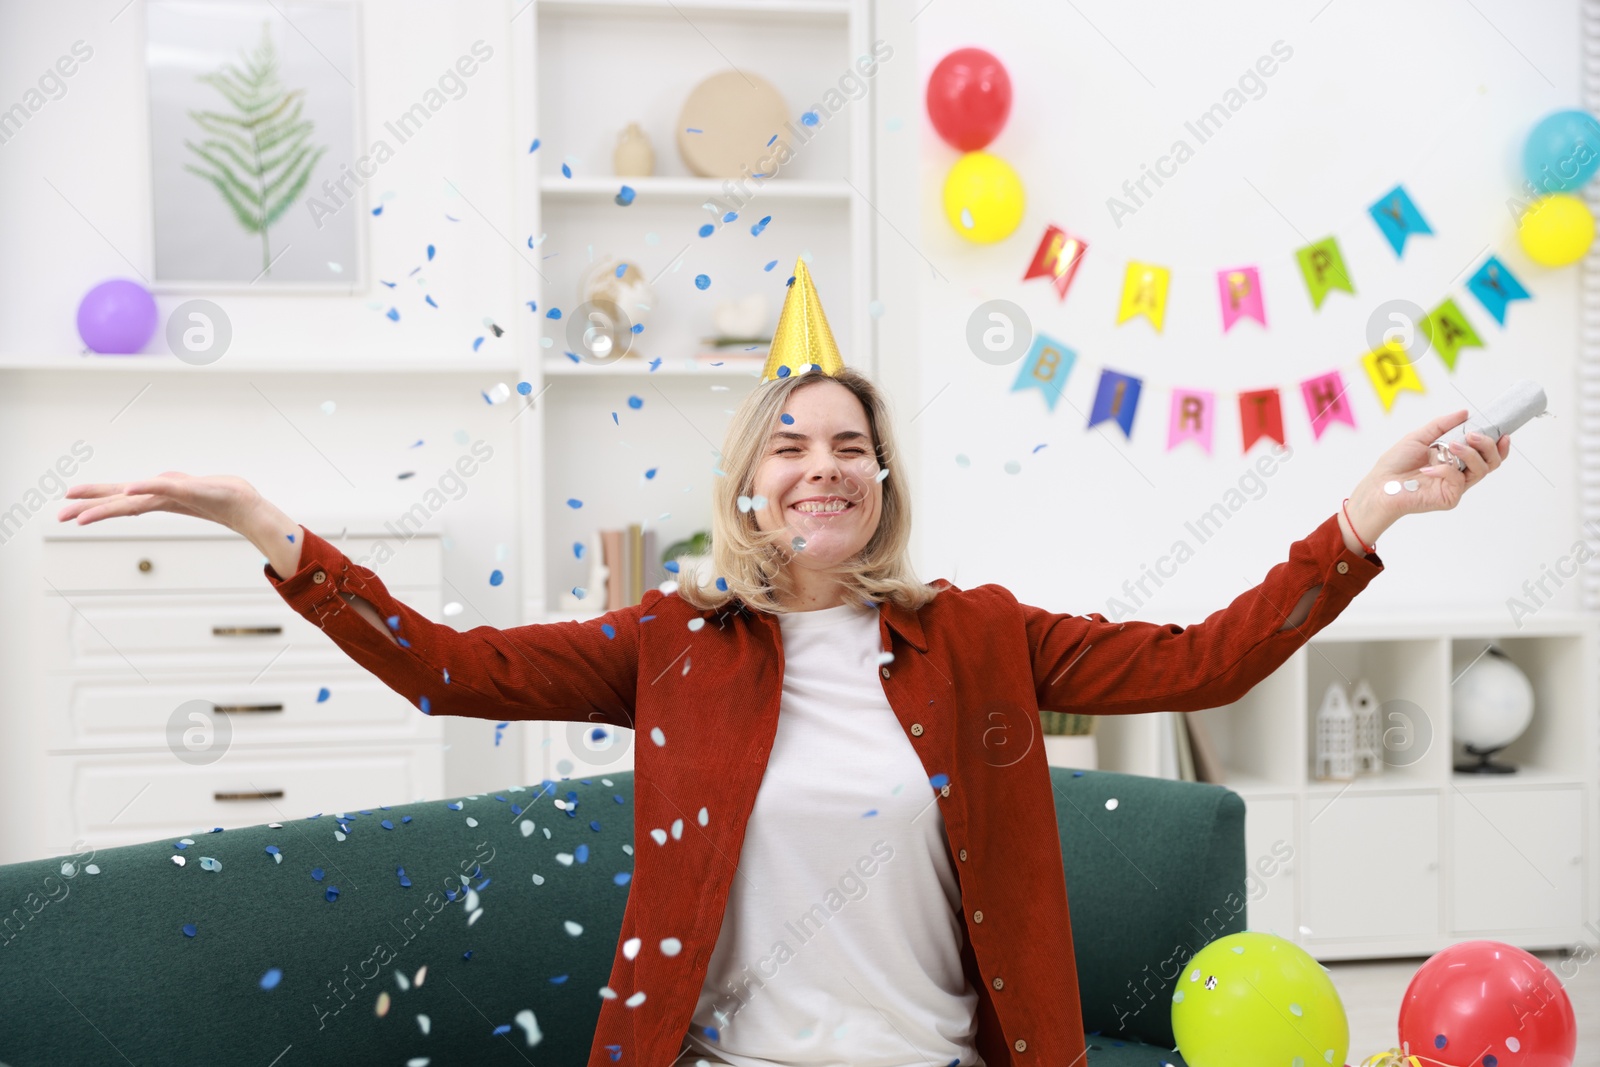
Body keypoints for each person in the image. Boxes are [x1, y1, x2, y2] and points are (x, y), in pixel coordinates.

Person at [56, 261, 1510, 1067]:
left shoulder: (983, 634)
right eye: (792, 446)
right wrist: (262, 520)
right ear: (751, 488)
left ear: (881, 485)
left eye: (853, 447)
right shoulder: (671, 647)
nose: (826, 468)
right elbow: (443, 667)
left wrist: (1368, 513)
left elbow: (1207, 661)